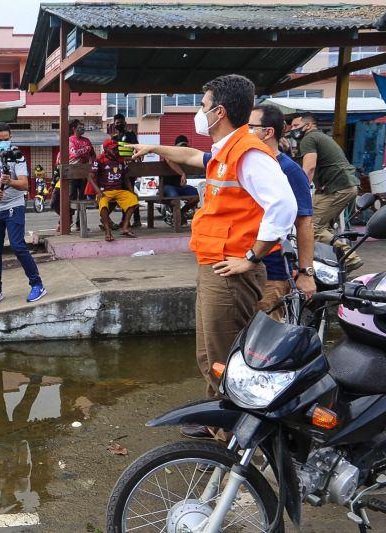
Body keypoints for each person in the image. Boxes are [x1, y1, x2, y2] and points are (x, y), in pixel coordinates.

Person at [131, 74, 297, 440]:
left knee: (226, 364)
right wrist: (156, 148)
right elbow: (190, 155)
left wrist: (253, 257)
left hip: (231, 271)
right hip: (215, 267)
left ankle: (234, 449)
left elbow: (284, 206)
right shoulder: (226, 151)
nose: (198, 113)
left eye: (202, 106)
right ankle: (219, 430)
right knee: (211, 359)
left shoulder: (247, 152)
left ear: (219, 111)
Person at [249, 105, 316, 319]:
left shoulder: (289, 170)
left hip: (271, 271)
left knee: (266, 338)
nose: (245, 132)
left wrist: (306, 273)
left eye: (251, 127)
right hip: (242, 266)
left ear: (268, 132)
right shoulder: (247, 163)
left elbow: (304, 223)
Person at [0, 122, 46, 306]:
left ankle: (37, 284)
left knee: (17, 245)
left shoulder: (17, 155)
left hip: (14, 205)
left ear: (11, 138)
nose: (3, 143)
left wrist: (10, 181)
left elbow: (24, 185)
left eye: (6, 140)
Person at [290, 112, 363, 271]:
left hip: (337, 188)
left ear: (308, 125)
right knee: (325, 228)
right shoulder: (321, 137)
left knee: (312, 227)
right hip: (342, 186)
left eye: (296, 126)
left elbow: (309, 168)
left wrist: (299, 191)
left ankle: (349, 258)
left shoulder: (309, 138)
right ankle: (330, 265)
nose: (292, 129)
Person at [87, 139, 139, 241]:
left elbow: (125, 177)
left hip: (118, 190)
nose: (116, 151)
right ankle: (107, 231)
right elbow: (90, 176)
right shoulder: (100, 160)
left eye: (116, 148)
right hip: (105, 191)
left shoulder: (120, 160)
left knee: (133, 199)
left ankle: (125, 227)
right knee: (103, 204)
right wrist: (98, 191)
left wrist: (132, 190)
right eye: (113, 149)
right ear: (106, 150)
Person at [53, 119, 96, 232]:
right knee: (70, 198)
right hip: (71, 174)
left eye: (83, 126)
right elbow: (75, 153)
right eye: (80, 126)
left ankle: (80, 225)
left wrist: (92, 166)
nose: (82, 128)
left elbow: (93, 155)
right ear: (74, 129)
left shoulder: (87, 140)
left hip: (84, 174)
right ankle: (64, 222)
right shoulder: (69, 140)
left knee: (82, 199)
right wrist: (86, 149)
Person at [160, 135, 201, 223]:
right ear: (176, 146)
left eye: (185, 146)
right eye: (181, 146)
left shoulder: (185, 157)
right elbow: (168, 160)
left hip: (180, 186)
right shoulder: (170, 153)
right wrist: (182, 173)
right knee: (174, 197)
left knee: (197, 196)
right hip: (167, 186)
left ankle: (180, 213)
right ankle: (177, 216)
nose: (183, 148)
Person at [112, 113, 141, 227]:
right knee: (126, 194)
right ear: (114, 124)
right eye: (117, 122)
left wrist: (131, 159)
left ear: (125, 123)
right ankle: (129, 220)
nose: (119, 124)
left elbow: (136, 148)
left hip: (130, 169)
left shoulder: (130, 135)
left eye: (121, 122)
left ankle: (129, 220)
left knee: (129, 193)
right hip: (118, 170)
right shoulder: (113, 138)